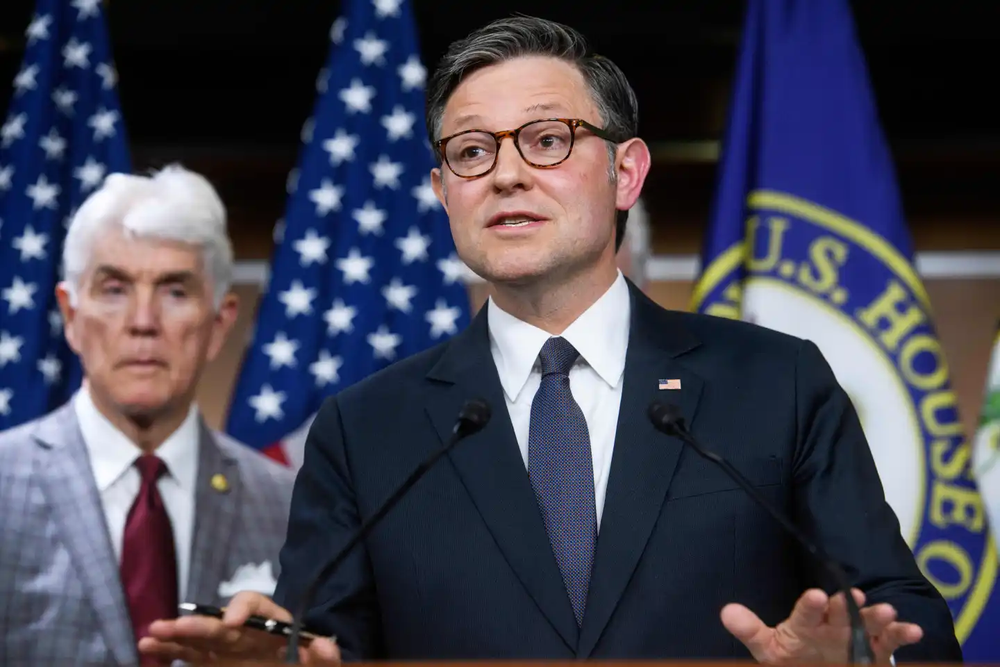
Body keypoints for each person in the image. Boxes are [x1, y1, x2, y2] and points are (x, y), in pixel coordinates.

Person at [140, 16, 962, 665]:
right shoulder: (364, 430)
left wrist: (859, 658)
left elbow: (912, 621)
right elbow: (324, 644)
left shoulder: (775, 382)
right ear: (443, 192)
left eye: (547, 140)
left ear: (625, 173)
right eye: (471, 152)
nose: (505, 174)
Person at [0, 165, 297, 666]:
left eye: (175, 291)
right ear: (71, 315)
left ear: (219, 323)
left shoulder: (286, 503)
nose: (143, 322)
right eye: (114, 289)